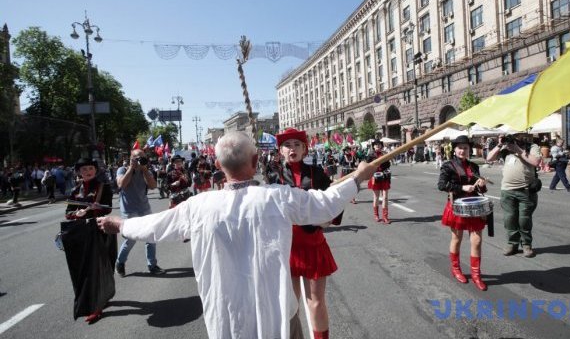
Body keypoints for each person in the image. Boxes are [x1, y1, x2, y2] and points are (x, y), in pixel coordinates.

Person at [97, 131, 376, 339]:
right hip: (277, 313)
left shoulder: (197, 206)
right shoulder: (278, 198)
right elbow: (325, 204)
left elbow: (152, 227)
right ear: (256, 160)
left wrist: (119, 224)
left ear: (218, 166)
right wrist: (359, 177)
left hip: (226, 316)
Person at [265, 128, 342, 339]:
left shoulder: (317, 173)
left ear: (305, 149)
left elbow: (333, 201)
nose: (292, 149)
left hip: (312, 244)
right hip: (286, 247)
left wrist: (328, 219)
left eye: (297, 144)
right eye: (287, 145)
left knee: (316, 302)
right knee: (290, 306)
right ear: (280, 150)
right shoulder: (273, 176)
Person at [61, 158, 115, 323]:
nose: (88, 171)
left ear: (95, 170)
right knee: (85, 269)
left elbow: (108, 207)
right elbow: (68, 212)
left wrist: (97, 207)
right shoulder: (75, 190)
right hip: (82, 233)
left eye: (91, 168)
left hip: (100, 230)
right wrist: (76, 214)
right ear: (79, 172)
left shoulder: (103, 187)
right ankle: (96, 300)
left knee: (100, 268)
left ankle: (97, 306)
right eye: (84, 169)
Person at [437, 136, 488, 291]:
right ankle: (456, 269)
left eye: (465, 148)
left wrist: (481, 185)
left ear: (469, 149)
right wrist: (462, 188)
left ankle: (476, 275)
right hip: (457, 205)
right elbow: (441, 185)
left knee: (477, 241)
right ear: (454, 149)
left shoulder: (473, 166)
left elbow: (480, 189)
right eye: (459, 147)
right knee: (457, 238)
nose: (462, 150)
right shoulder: (448, 165)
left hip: (473, 206)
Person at [487, 134, 542, 258]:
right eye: (513, 135)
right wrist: (500, 144)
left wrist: (518, 150)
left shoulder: (531, 146)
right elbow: (489, 158)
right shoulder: (505, 148)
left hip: (526, 190)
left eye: (518, 134)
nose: (516, 137)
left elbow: (536, 162)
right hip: (507, 190)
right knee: (509, 219)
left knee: (524, 220)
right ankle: (512, 244)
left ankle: (527, 245)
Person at [114, 149, 165, 277]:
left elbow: (153, 186)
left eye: (142, 157)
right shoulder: (122, 169)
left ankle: (152, 265)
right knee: (131, 240)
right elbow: (121, 184)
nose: (139, 159)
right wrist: (131, 168)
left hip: (144, 208)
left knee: (151, 236)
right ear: (131, 158)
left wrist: (144, 169)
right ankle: (120, 262)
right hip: (129, 210)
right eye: (137, 157)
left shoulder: (145, 170)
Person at [367, 139, 392, 224]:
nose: (377, 145)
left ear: (381, 145)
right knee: (376, 197)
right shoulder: (370, 155)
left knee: (385, 197)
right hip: (375, 177)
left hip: (384, 177)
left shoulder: (384, 154)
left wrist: (386, 159)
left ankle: (385, 217)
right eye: (376, 144)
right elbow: (368, 166)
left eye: (379, 144)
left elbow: (388, 165)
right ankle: (376, 215)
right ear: (373, 146)